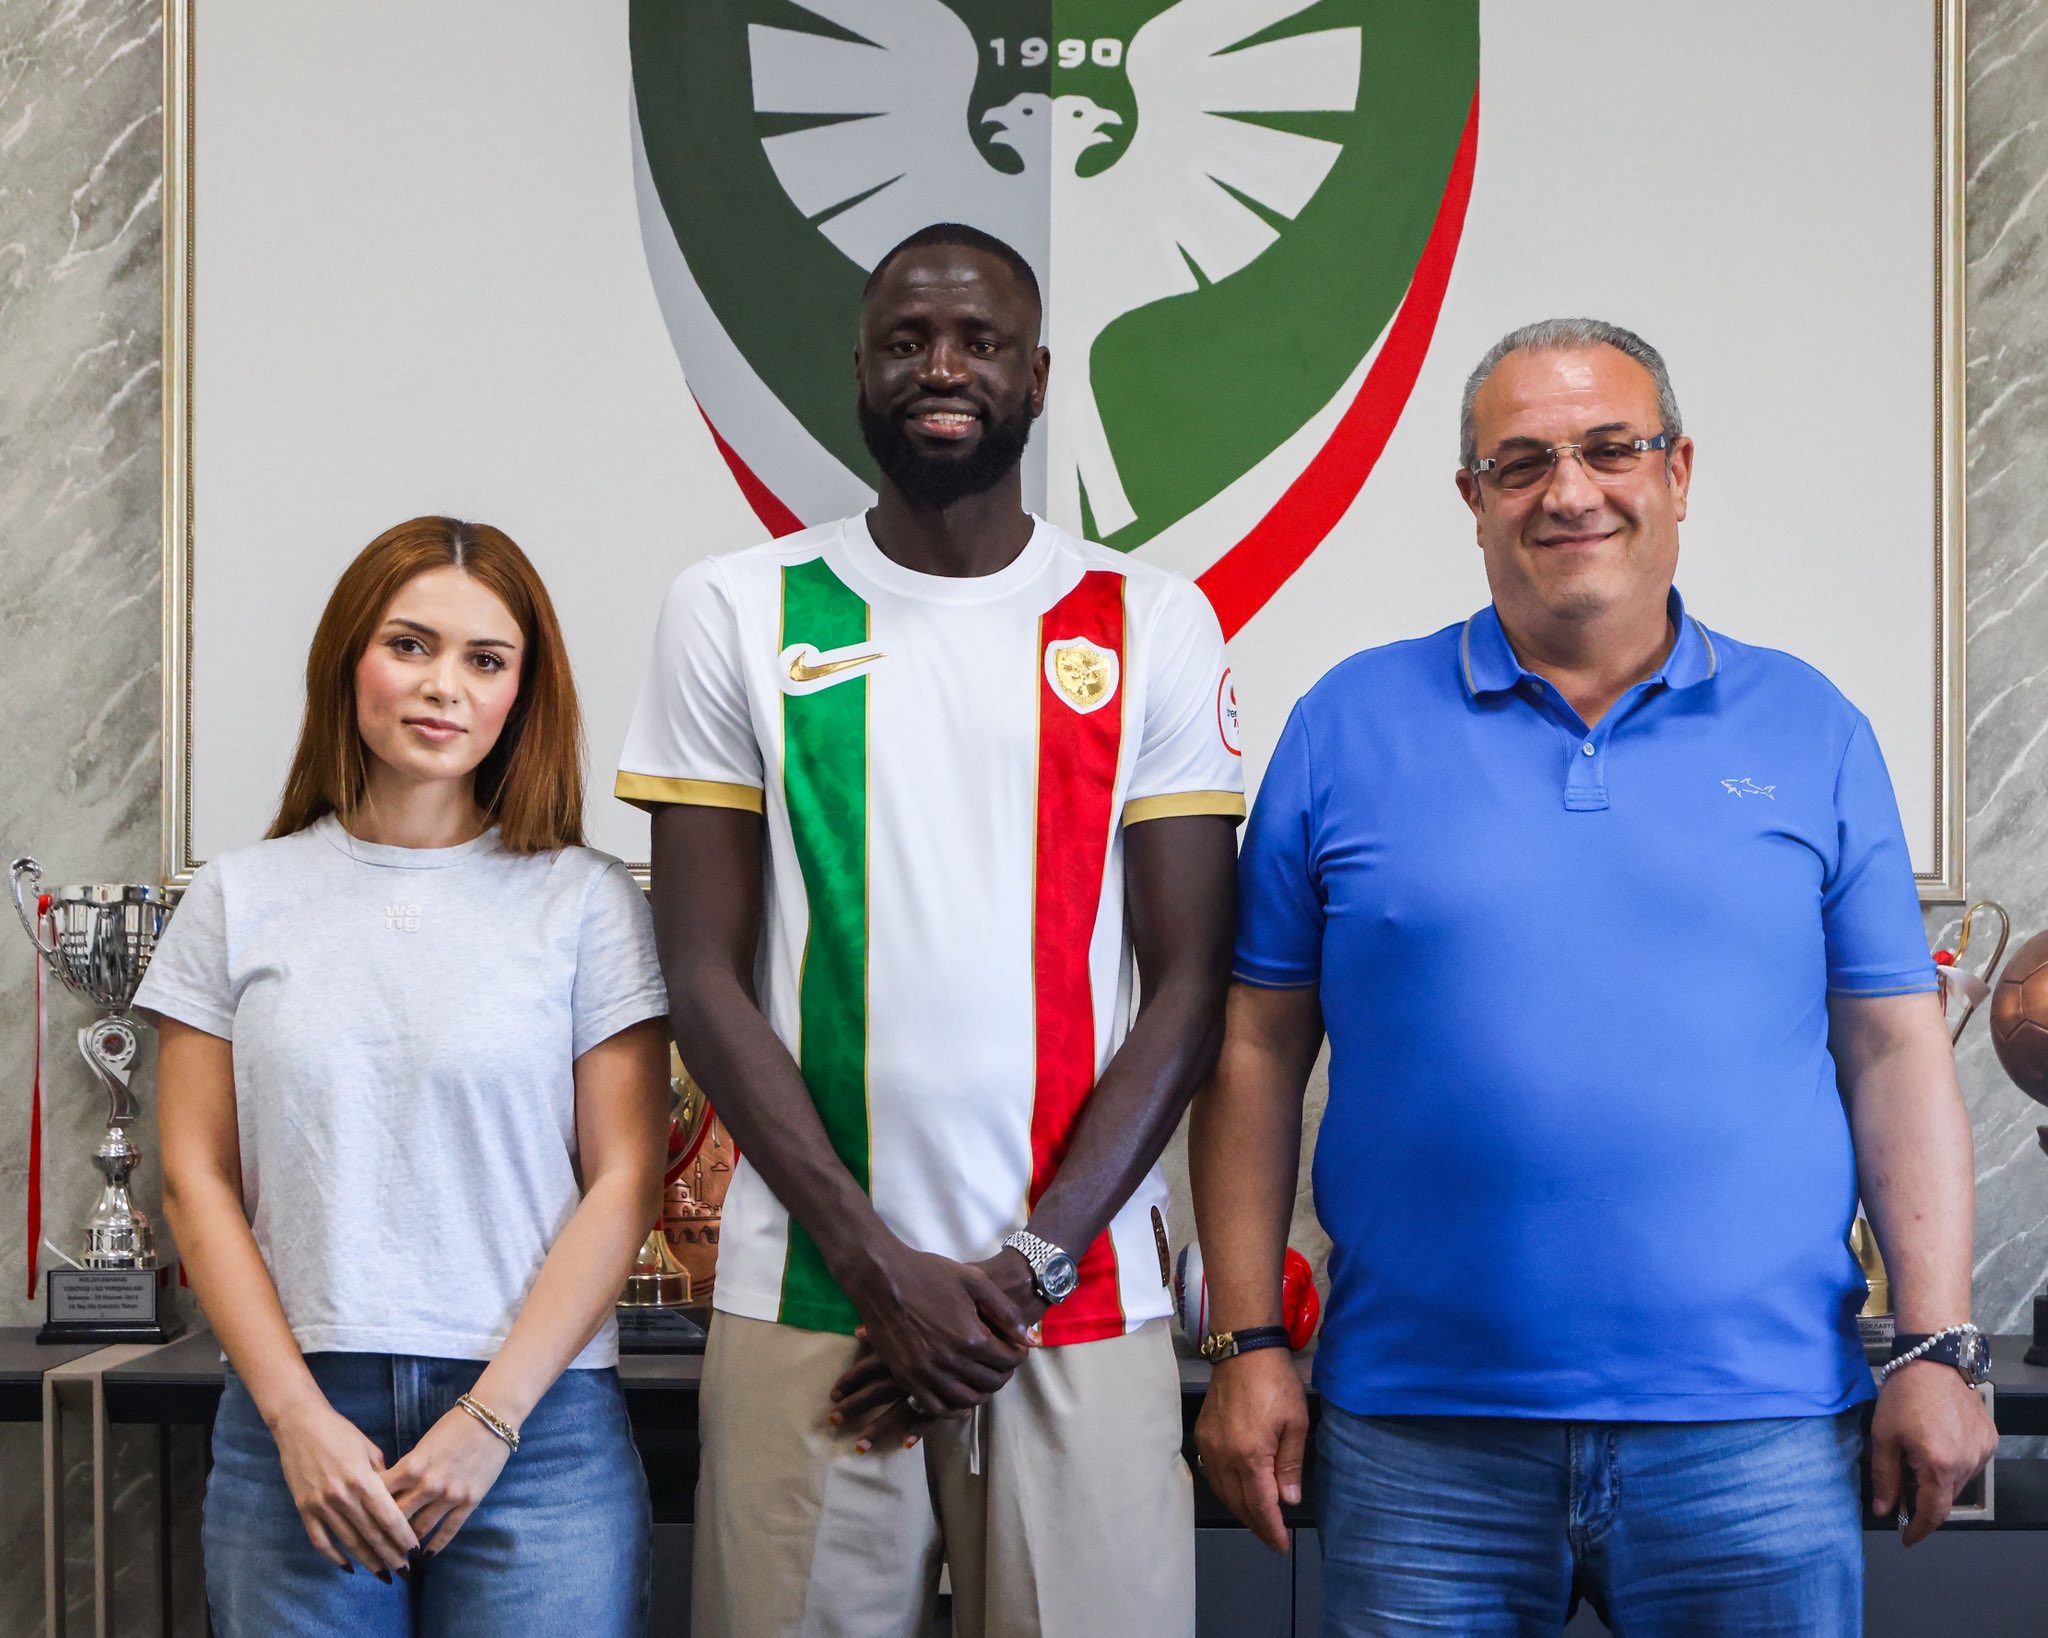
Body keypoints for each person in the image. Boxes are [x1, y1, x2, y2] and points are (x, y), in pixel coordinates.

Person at [1190, 319, 1999, 1636]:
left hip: (1754, 1434)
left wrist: (1935, 1341)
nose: (1568, 490)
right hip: (1418, 1437)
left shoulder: (1812, 729)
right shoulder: (1343, 725)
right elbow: (1254, 1048)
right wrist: (1244, 1341)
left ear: (1677, 471)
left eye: (1610, 448)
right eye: (1519, 462)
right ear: (1472, 499)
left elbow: (1896, 1053)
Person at [618, 222, 1242, 1638]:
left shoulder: (1152, 619)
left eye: (978, 342)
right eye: (906, 341)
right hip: (813, 1290)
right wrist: (877, 1268)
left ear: (1037, 376)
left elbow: (1189, 984)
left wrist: (1024, 1272)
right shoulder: (734, 609)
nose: (941, 367)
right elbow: (700, 975)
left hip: (1079, 1297)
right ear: (858, 371)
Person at [139, 516, 671, 1637]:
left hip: (538, 1428)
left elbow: (625, 1181)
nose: (444, 686)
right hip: (298, 1420)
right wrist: (294, 1417)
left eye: (486, 659)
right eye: (410, 645)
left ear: (523, 691)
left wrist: (491, 1418)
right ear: (350, 660)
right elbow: (194, 1180)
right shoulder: (237, 896)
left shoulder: (585, 901)